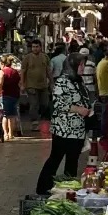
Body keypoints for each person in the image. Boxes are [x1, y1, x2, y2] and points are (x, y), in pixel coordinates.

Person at [36, 52, 92, 194]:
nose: (82, 68)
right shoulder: (62, 81)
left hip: (78, 130)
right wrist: (79, 109)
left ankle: (68, 190)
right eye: (80, 65)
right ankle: (43, 188)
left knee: (72, 161)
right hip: (64, 129)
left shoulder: (78, 81)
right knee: (55, 158)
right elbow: (59, 103)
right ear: (72, 65)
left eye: (83, 65)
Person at [0, 55, 24, 141]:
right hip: (15, 96)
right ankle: (11, 134)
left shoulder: (2, 72)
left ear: (2, 63)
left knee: (5, 115)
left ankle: (6, 134)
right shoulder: (15, 72)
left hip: (4, 95)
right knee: (12, 115)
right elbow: (20, 83)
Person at [23, 40, 51, 127]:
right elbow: (23, 71)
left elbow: (48, 70)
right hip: (31, 85)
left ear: (40, 47)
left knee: (45, 104)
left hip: (43, 85)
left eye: (37, 47)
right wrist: (22, 84)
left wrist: (52, 82)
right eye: (33, 47)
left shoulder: (45, 57)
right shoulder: (27, 58)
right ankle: (34, 122)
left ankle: (43, 120)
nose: (35, 49)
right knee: (34, 104)